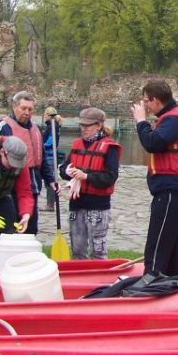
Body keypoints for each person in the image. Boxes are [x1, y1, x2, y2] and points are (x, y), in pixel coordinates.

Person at [130, 79, 178, 283]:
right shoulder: (175, 117)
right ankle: (176, 281)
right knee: (172, 245)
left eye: (146, 101)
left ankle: (150, 282)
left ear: (156, 100)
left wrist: (141, 121)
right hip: (176, 190)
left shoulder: (174, 119)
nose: (146, 106)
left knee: (157, 244)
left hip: (172, 191)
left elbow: (153, 143)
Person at [0, 91, 59, 234]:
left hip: (33, 185)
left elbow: (41, 157)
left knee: (31, 227)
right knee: (11, 228)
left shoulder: (36, 130)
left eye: (30, 109)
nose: (27, 112)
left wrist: (51, 180)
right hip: (10, 186)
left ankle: (29, 253)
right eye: (23, 108)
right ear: (15, 107)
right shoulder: (3, 127)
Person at [59, 107, 121, 260]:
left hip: (97, 208)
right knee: (78, 252)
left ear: (98, 125)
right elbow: (63, 169)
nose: (83, 129)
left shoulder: (109, 147)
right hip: (76, 205)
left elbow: (110, 177)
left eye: (87, 125)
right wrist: (68, 172)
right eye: (82, 125)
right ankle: (79, 280)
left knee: (98, 253)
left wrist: (86, 176)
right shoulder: (77, 144)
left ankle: (102, 280)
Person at [41, 106, 63, 212]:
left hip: (49, 156)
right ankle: (50, 203)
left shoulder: (52, 127)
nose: (44, 116)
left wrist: (39, 145)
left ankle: (50, 205)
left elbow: (50, 142)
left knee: (49, 181)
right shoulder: (54, 126)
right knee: (49, 180)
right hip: (49, 156)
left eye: (45, 114)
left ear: (48, 115)